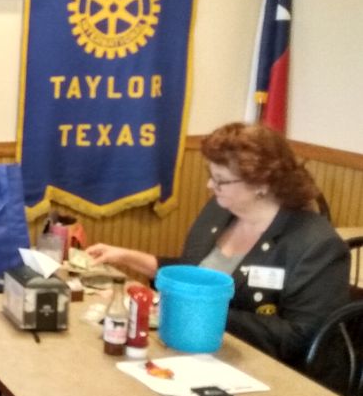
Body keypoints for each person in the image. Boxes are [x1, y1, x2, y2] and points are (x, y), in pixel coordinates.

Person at [87, 122, 349, 367]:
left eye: (221, 179)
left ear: (262, 183)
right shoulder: (220, 211)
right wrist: (126, 257)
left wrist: (194, 310)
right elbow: (195, 274)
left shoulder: (316, 245)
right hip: (196, 353)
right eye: (211, 175)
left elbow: (302, 339)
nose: (210, 185)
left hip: (262, 369)